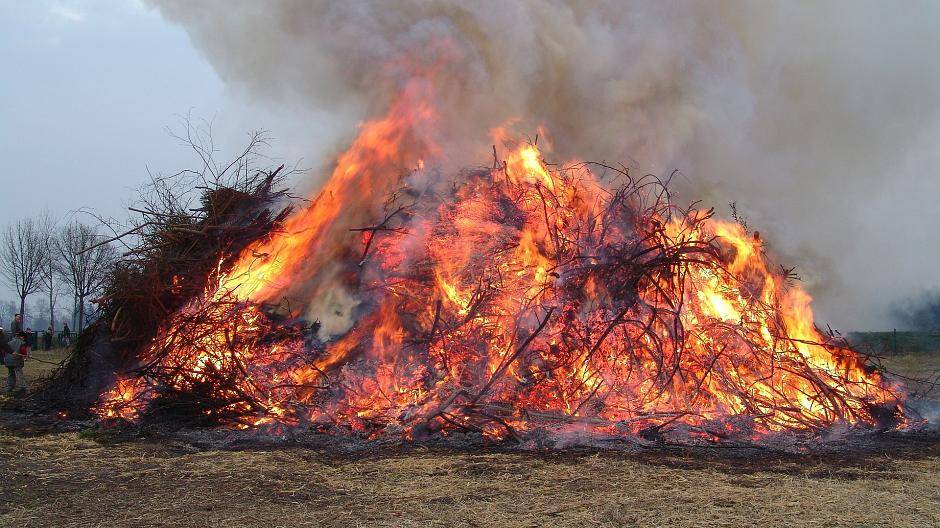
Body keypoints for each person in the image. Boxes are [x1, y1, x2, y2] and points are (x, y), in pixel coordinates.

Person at [4, 330, 28, 396]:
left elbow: (5, 351)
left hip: (8, 361)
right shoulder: (22, 343)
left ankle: (9, 387)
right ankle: (23, 387)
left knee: (11, 373)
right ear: (21, 336)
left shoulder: (9, 342)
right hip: (16, 360)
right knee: (19, 374)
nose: (24, 338)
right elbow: (23, 352)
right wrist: (25, 356)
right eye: (23, 337)